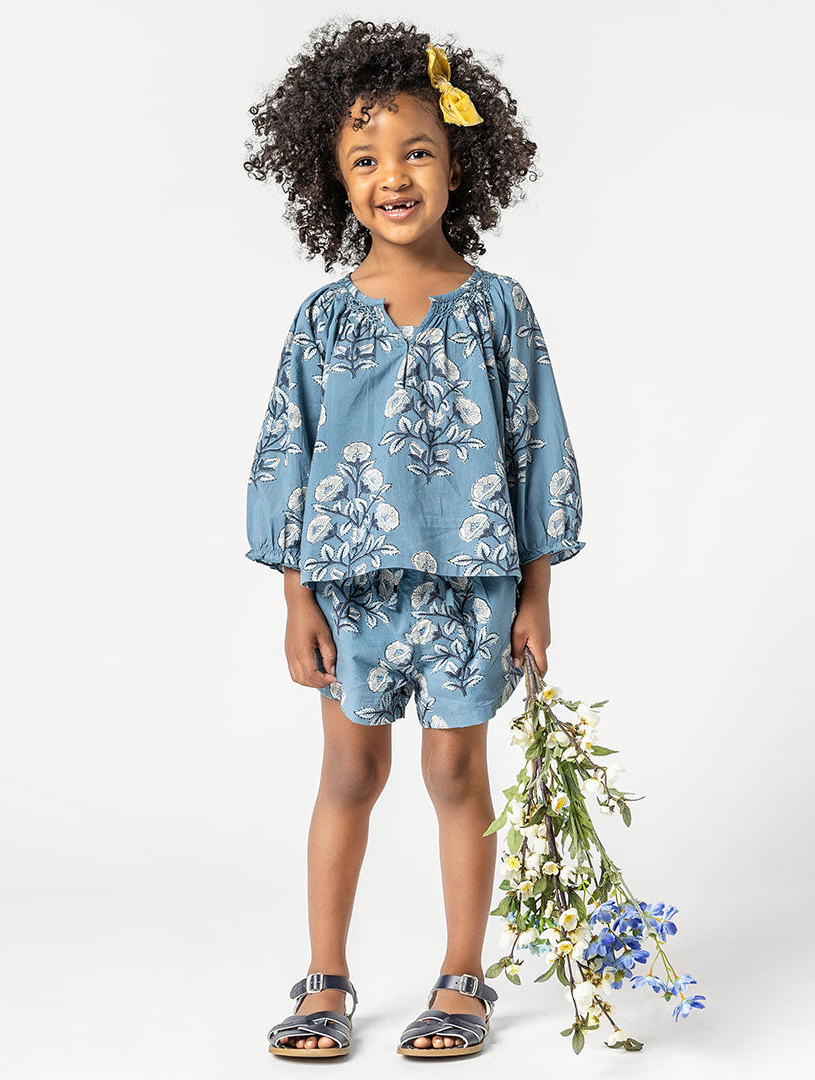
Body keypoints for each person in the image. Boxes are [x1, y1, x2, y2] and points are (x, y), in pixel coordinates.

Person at [243, 18, 585, 1059]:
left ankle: (462, 976)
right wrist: (296, 599)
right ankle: (325, 978)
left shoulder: (500, 310)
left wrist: (537, 595)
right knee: (349, 774)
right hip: (350, 591)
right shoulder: (320, 321)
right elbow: (286, 459)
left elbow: (535, 449)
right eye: (366, 159)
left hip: (471, 589)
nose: (393, 176)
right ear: (335, 179)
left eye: (417, 152)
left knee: (454, 776)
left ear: (457, 165)